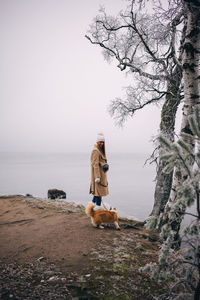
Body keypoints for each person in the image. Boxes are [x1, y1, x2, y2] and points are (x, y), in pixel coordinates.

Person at [90, 133, 109, 206]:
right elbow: (95, 164)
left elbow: (101, 162)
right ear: (97, 142)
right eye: (100, 142)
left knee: (97, 193)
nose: (102, 143)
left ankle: (91, 208)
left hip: (102, 175)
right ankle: (97, 209)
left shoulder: (100, 150)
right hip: (98, 177)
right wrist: (97, 177)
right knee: (98, 193)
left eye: (103, 142)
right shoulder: (96, 151)